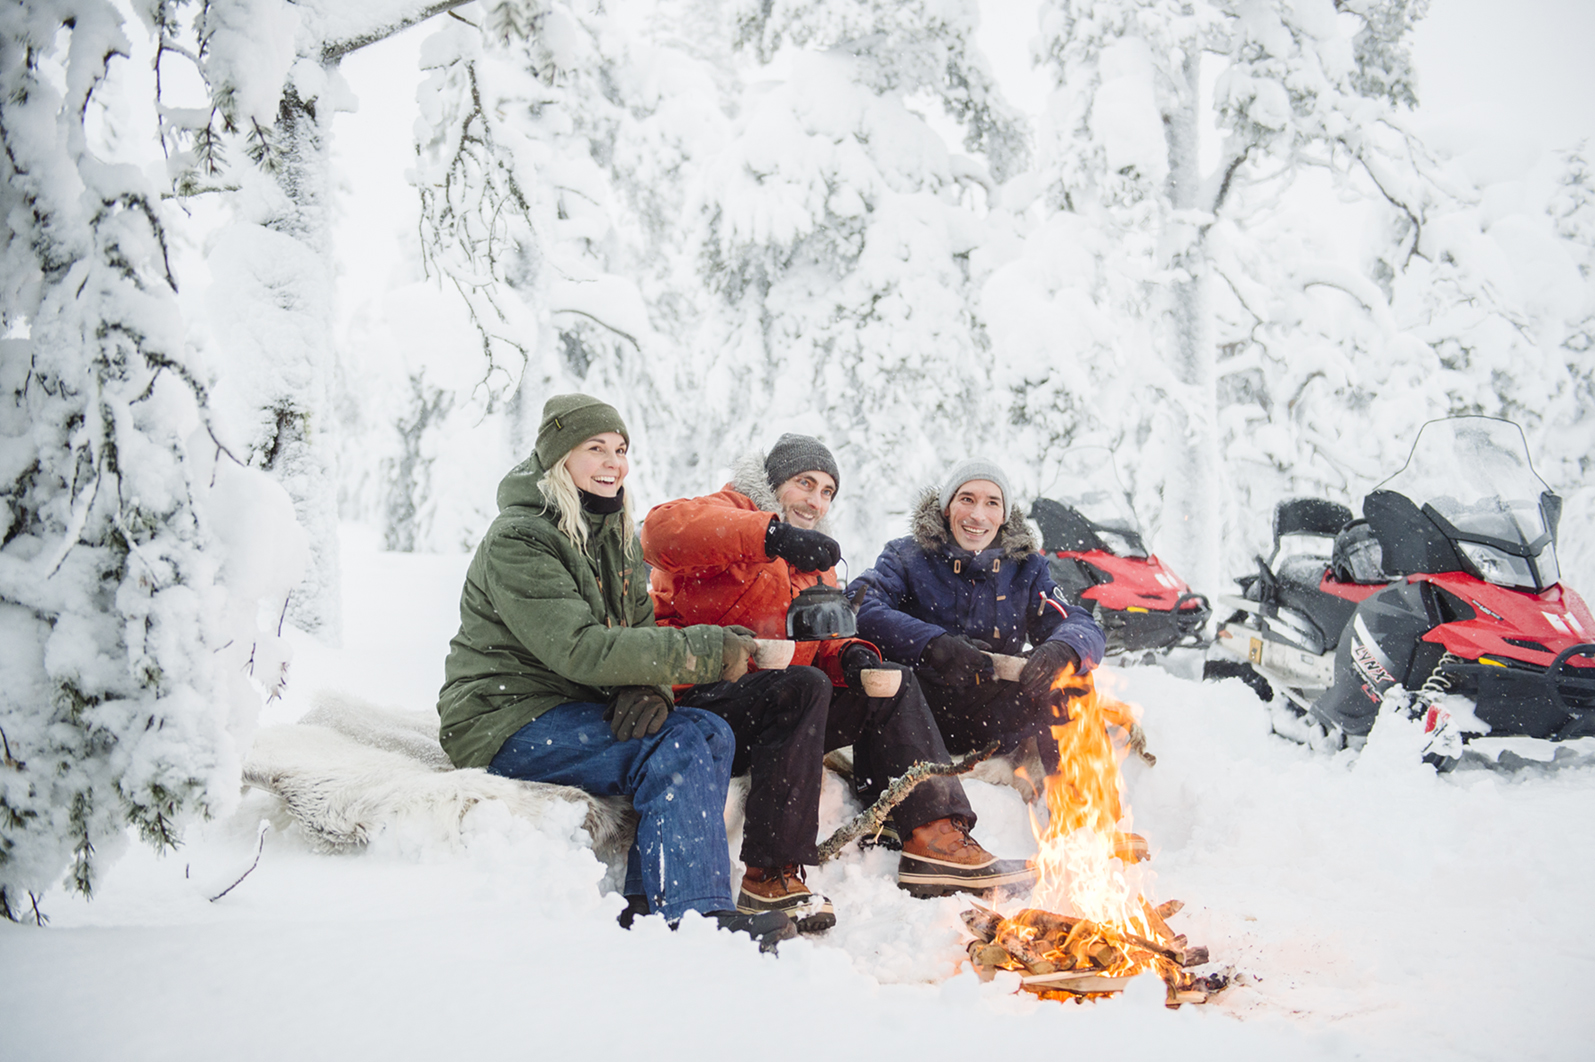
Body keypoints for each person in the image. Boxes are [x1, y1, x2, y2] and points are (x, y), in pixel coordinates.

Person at [437, 394, 794, 951]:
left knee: (708, 730)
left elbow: (637, 624)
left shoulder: (614, 531)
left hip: (564, 705)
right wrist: (704, 650)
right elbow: (579, 648)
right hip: (502, 719)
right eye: (595, 449)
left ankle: (650, 900)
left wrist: (650, 686)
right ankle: (694, 916)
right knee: (675, 746)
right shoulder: (520, 538)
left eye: (621, 449)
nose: (613, 463)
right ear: (559, 459)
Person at [641, 435, 1035, 928]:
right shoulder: (729, 511)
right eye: (805, 483)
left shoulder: (813, 560)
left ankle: (934, 837)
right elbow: (658, 533)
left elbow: (821, 640)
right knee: (802, 685)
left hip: (780, 712)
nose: (816, 500)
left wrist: (852, 658)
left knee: (890, 680)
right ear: (773, 482)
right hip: (703, 701)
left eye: (827, 491)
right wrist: (769, 535)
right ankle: (769, 873)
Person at [850, 458, 1107, 792]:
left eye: (992, 503)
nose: (977, 515)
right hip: (917, 711)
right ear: (947, 508)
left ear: (1004, 516)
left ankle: (1083, 815)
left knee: (1072, 676)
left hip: (994, 717)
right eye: (967, 499)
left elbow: (1080, 624)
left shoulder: (1027, 567)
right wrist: (934, 645)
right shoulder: (906, 556)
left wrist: (1062, 648)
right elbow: (860, 604)